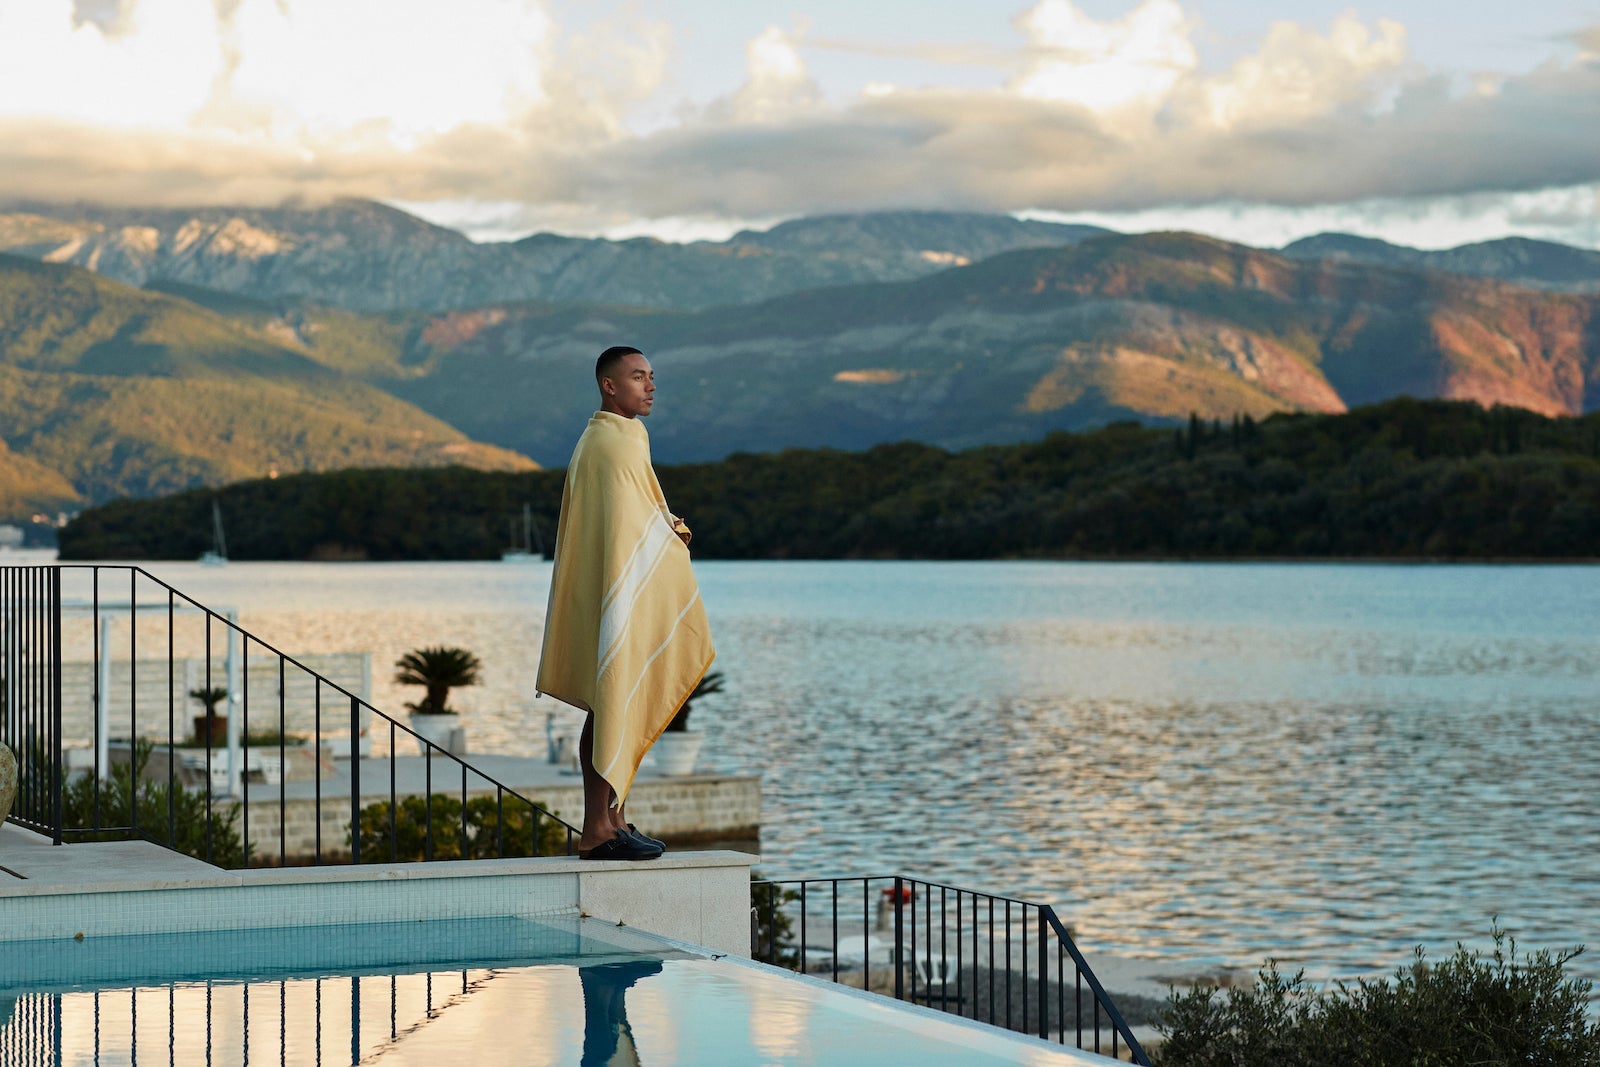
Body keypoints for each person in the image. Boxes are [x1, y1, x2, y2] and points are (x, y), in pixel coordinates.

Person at [536, 346, 716, 860]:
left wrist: (667, 529)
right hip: (613, 590)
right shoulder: (606, 446)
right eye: (638, 377)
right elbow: (625, 530)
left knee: (613, 700)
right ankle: (596, 829)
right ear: (609, 386)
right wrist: (670, 536)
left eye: (652, 377)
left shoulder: (625, 437)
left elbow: (639, 516)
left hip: (621, 587)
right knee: (607, 700)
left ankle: (612, 819)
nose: (650, 386)